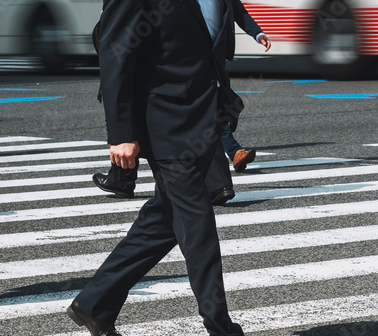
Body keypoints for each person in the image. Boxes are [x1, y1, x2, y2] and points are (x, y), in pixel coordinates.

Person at [69, 0, 265, 336]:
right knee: (199, 229)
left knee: (164, 218)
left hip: (206, 117)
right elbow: (114, 51)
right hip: (164, 125)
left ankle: (95, 302)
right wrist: (121, 134)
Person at [92, 0, 270, 205]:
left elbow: (235, 9)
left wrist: (256, 32)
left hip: (180, 73)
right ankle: (217, 184)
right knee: (202, 130)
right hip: (170, 71)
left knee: (200, 129)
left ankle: (124, 178)